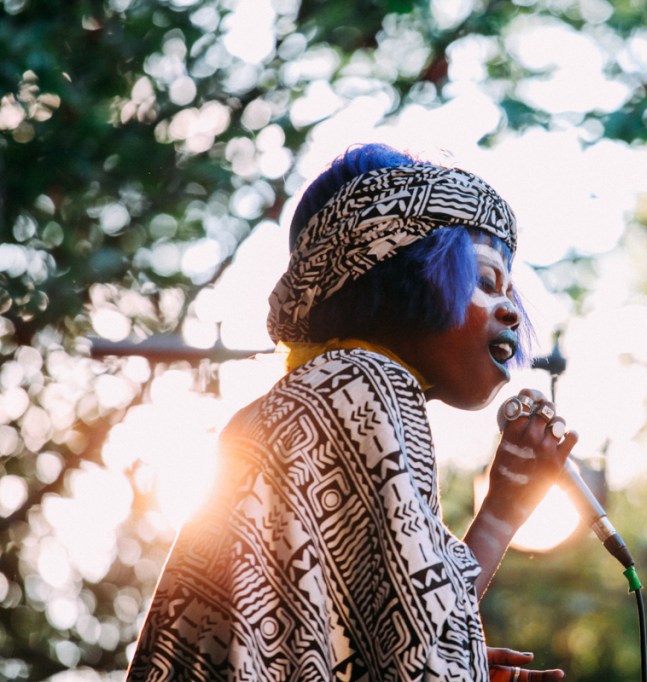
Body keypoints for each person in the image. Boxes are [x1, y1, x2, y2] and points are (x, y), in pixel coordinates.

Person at [127, 143, 577, 681]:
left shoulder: (320, 391)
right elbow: (419, 658)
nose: (508, 308)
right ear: (402, 275)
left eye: (509, 290)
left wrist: (503, 511)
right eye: (482, 281)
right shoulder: (364, 386)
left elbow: (400, 630)